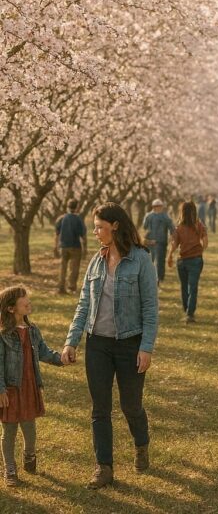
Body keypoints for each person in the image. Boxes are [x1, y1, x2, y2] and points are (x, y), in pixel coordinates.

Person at [62, 202, 158, 489]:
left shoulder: (141, 260)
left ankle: (141, 444)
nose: (96, 233)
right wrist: (72, 340)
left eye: (100, 227)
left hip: (130, 344)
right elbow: (83, 305)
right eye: (94, 228)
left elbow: (151, 309)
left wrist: (146, 347)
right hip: (98, 344)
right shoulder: (96, 261)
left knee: (131, 406)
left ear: (115, 226)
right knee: (99, 409)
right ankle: (104, 467)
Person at [0, 286, 64, 487]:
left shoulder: (33, 330)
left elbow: (44, 353)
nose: (28, 300)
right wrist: (0, 389)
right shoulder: (3, 335)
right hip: (10, 390)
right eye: (22, 298)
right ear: (11, 308)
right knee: (9, 431)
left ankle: (29, 455)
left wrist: (62, 359)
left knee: (30, 428)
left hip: (29, 388)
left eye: (27, 296)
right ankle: (9, 469)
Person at [167, 201, 208, 324]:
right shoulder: (199, 225)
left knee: (184, 287)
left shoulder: (178, 227)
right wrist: (200, 250)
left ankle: (187, 311)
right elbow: (205, 242)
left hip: (182, 260)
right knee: (193, 287)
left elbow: (174, 244)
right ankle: (190, 314)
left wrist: (169, 256)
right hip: (196, 259)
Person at [54, 199, 87, 294]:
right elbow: (83, 235)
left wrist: (55, 247)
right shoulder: (78, 219)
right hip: (75, 246)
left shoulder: (61, 218)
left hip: (63, 246)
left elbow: (56, 234)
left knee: (63, 267)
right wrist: (85, 247)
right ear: (77, 207)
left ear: (67, 207)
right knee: (74, 268)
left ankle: (61, 287)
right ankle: (71, 287)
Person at [142, 199, 175, 284]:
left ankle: (160, 276)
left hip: (161, 241)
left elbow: (171, 227)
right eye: (157, 206)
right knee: (152, 259)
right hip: (151, 241)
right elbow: (145, 227)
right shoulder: (149, 216)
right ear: (154, 207)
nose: (159, 208)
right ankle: (154, 277)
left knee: (160, 260)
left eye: (160, 206)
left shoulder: (165, 216)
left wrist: (172, 236)